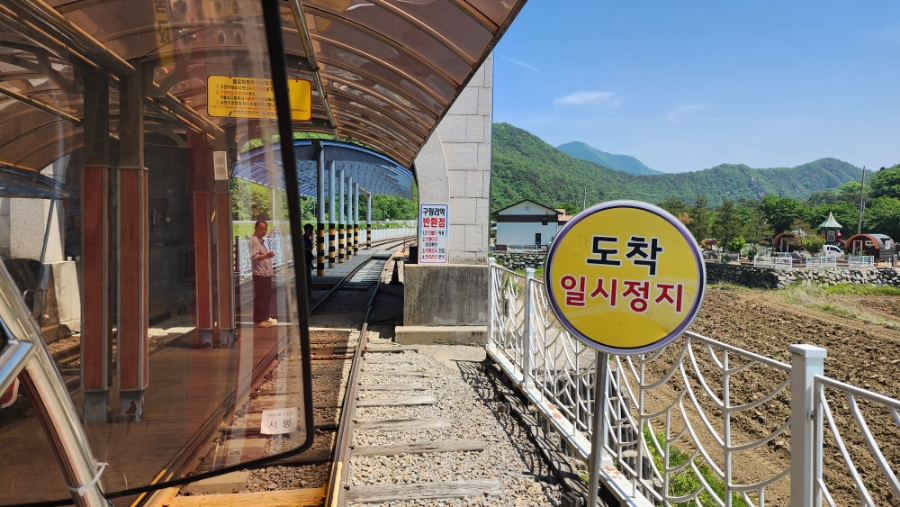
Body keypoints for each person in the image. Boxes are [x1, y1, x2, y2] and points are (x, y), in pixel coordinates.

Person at [251, 220, 277, 328]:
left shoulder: (261, 240)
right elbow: (254, 257)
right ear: (256, 228)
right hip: (260, 274)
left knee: (267, 296)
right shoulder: (255, 240)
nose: (263, 231)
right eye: (261, 228)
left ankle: (266, 316)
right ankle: (259, 319)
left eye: (265, 229)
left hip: (265, 274)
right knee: (261, 297)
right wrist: (267, 256)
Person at [303, 223, 314, 297]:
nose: (310, 232)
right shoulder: (302, 239)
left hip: (308, 262)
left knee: (308, 280)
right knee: (306, 280)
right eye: (308, 230)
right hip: (304, 263)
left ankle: (308, 296)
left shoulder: (308, 239)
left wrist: (311, 263)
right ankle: (307, 296)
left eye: (311, 230)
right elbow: (299, 248)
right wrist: (307, 249)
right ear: (305, 230)